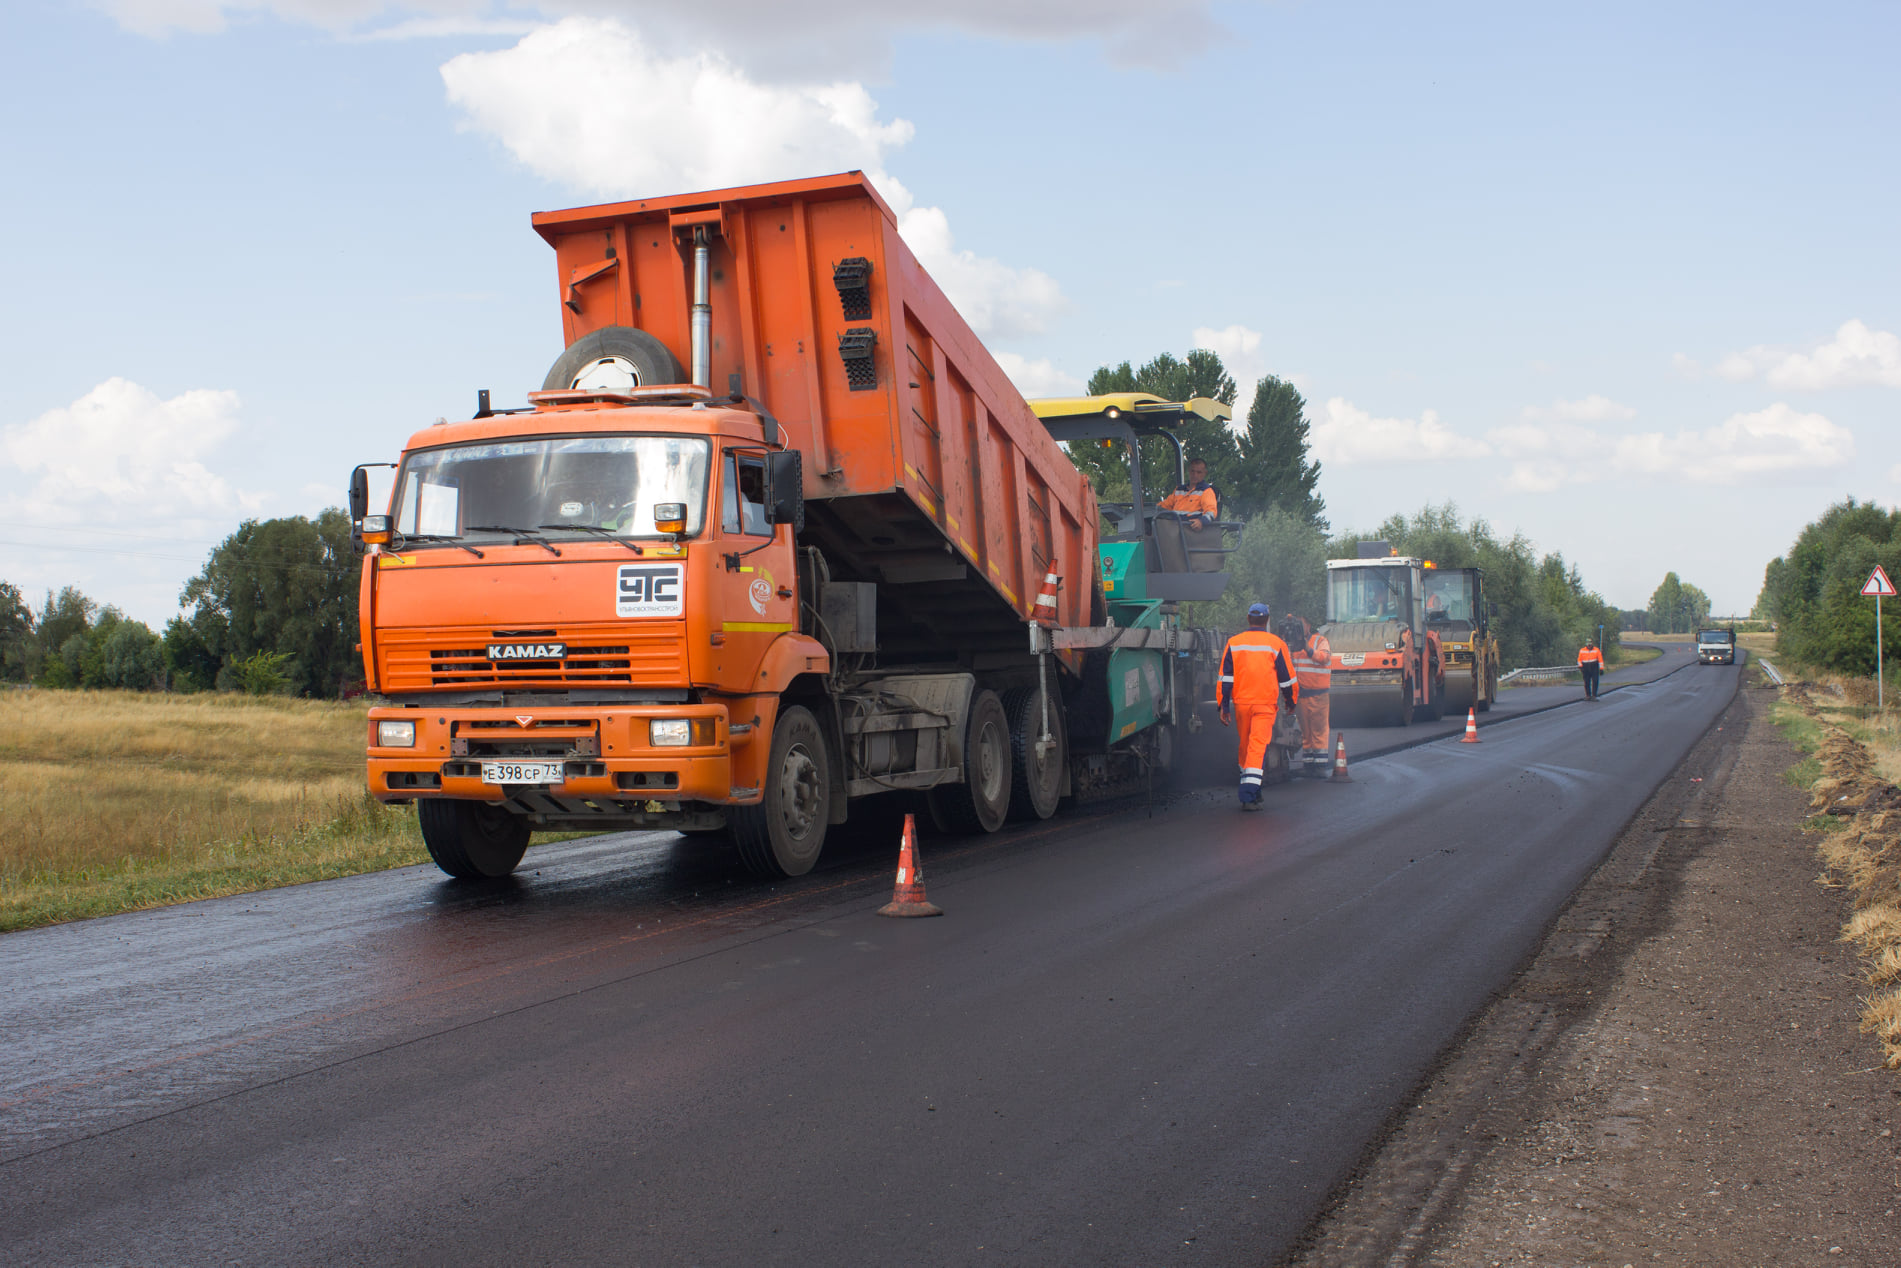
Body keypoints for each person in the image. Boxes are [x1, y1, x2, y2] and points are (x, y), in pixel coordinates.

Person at [1220, 602, 1299, 810]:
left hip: (1241, 704)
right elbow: (1287, 680)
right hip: (1264, 704)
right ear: (1267, 621)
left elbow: (1225, 678)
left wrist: (1223, 706)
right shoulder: (1276, 644)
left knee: (1246, 747)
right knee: (1257, 748)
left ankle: (1254, 791)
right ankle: (1248, 796)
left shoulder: (1234, 643)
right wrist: (1291, 702)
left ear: (1248, 619)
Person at [1284, 615, 1333, 777]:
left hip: (1318, 695)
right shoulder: (1292, 645)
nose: (1298, 628)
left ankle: (1320, 766)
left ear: (1308, 626)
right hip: (1301, 696)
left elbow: (1324, 658)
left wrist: (1307, 648)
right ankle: (1309, 764)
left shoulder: (1320, 641)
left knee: (1318, 730)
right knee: (1306, 731)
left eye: (1301, 624)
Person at [1157, 458, 1219, 532]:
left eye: (1199, 472)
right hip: (1174, 528)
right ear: (1189, 470)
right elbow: (1165, 506)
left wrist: (1201, 521)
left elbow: (1211, 511)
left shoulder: (1206, 491)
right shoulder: (1179, 490)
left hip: (1190, 531)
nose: (1195, 475)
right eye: (1192, 471)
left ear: (1205, 473)